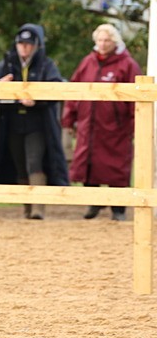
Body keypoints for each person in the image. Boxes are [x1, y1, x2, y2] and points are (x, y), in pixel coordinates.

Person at [0, 23, 70, 219]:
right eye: (21, 43)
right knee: (20, 164)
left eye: (28, 44)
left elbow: (56, 88)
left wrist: (37, 99)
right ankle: (26, 207)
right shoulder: (6, 63)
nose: (24, 47)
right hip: (12, 121)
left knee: (35, 162)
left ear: (37, 45)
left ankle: (38, 208)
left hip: (38, 123)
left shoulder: (46, 64)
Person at [61, 23, 140, 221]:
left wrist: (134, 124)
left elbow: (135, 97)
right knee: (88, 165)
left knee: (117, 169)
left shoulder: (127, 64)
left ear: (115, 42)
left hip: (116, 128)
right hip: (89, 124)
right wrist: (69, 116)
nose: (103, 44)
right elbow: (74, 89)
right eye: (100, 40)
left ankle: (118, 209)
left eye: (107, 40)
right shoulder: (88, 62)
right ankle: (93, 203)